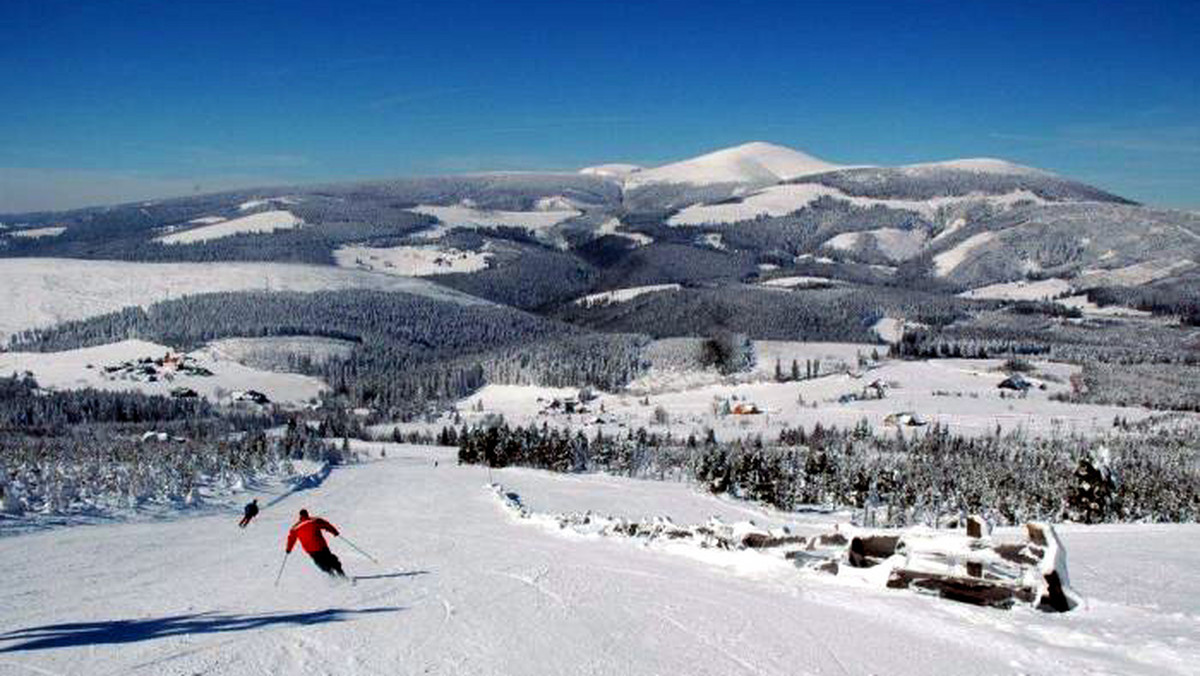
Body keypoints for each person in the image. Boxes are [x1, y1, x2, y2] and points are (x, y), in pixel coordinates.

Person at [285, 509, 346, 578]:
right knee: (330, 559)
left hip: (311, 550)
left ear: (300, 516)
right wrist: (334, 532)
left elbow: (291, 539)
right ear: (307, 514)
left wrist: (288, 549)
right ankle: (341, 573)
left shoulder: (295, 528)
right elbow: (326, 525)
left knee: (321, 563)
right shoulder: (314, 520)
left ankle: (331, 575)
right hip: (321, 545)